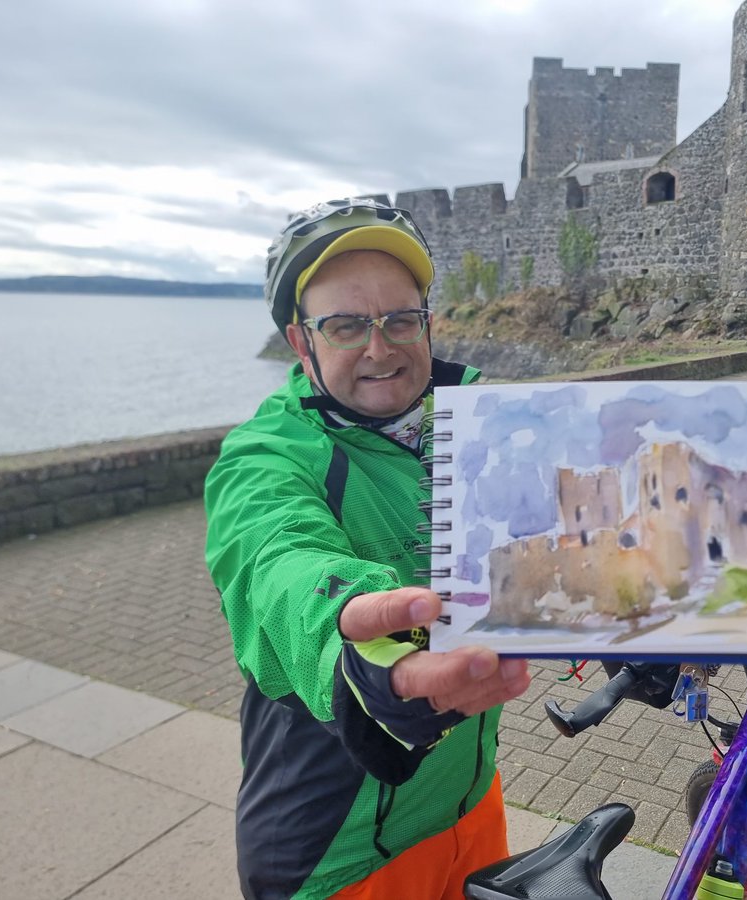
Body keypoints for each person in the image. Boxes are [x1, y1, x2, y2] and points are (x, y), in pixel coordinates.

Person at [204, 197, 532, 900]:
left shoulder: (487, 428)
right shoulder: (266, 454)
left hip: (471, 804)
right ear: (301, 343)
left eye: (399, 320)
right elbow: (276, 557)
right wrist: (353, 639)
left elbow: (553, 550)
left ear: (427, 323)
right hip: (341, 854)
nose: (379, 349)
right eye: (347, 326)